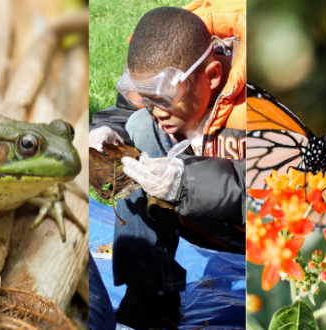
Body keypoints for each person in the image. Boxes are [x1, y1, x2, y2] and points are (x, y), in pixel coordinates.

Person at [89, 2, 245, 328]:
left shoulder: (262, 95)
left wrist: (186, 184)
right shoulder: (159, 69)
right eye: (148, 100)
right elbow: (123, 115)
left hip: (251, 232)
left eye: (163, 100)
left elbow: (277, 188)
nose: (157, 111)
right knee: (138, 127)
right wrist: (102, 135)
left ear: (213, 76)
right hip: (196, 222)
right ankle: (150, 290)